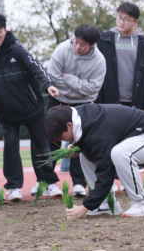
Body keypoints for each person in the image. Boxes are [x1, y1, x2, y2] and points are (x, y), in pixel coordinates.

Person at [0, 13, 61, 202]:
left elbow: (36, 67)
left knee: (42, 145)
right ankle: (14, 187)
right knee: (10, 148)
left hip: (32, 109)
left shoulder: (17, 49)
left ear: (5, 30)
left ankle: (49, 183)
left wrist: (48, 85)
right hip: (6, 112)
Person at [45, 104, 144, 218]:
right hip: (133, 136)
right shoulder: (80, 117)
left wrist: (85, 207)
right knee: (85, 154)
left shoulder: (98, 132)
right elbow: (90, 139)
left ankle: (142, 204)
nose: (62, 141)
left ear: (69, 125)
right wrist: (79, 145)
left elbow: (105, 174)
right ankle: (104, 204)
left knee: (120, 153)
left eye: (61, 137)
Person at [95, 2, 144, 180]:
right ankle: (110, 178)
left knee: (131, 140)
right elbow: (98, 70)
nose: (121, 22)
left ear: (135, 22)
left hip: (135, 101)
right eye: (119, 17)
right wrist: (98, 98)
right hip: (110, 99)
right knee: (110, 138)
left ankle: (128, 177)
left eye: (126, 19)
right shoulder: (106, 39)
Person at [45, 24, 107, 197]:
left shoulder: (99, 61)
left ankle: (79, 183)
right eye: (76, 42)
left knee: (81, 142)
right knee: (51, 140)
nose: (78, 47)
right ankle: (47, 181)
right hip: (58, 100)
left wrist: (68, 78)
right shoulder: (62, 49)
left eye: (83, 45)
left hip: (84, 104)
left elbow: (93, 89)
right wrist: (79, 85)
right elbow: (54, 76)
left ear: (92, 45)